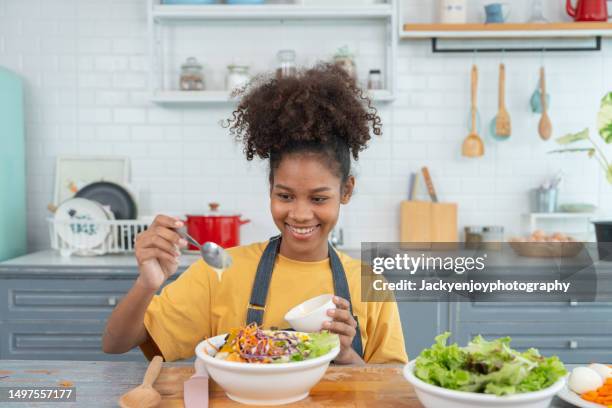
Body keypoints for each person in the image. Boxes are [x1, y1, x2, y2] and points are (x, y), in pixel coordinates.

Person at [102, 63, 407, 365]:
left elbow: (391, 387)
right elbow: (115, 343)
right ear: (270, 187)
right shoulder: (220, 273)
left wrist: (346, 355)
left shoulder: (369, 284)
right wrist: (147, 282)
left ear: (346, 191)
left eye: (318, 198)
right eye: (285, 196)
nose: (300, 214)